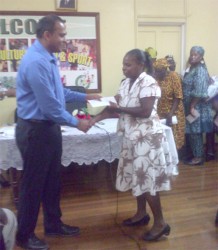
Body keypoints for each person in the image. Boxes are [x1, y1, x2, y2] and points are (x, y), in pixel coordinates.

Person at [15, 15, 100, 250]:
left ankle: (53, 224)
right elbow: (50, 106)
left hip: (48, 129)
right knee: (33, 186)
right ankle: (24, 236)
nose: (65, 39)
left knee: (52, 181)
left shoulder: (48, 58)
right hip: (36, 131)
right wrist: (77, 122)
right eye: (61, 34)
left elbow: (59, 92)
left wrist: (86, 96)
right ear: (47, 35)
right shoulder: (35, 62)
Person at [91, 49, 172, 241]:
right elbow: (114, 107)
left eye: (128, 64)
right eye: (123, 64)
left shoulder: (149, 82)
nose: (124, 68)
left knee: (147, 180)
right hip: (131, 137)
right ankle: (141, 214)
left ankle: (160, 223)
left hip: (147, 138)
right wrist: (95, 118)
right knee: (138, 176)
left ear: (141, 65)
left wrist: (118, 108)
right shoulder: (126, 83)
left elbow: (144, 111)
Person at [182, 46, 213, 165]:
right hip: (190, 105)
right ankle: (194, 154)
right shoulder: (192, 69)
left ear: (201, 57)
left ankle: (199, 157)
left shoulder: (200, 70)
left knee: (195, 132)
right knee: (191, 131)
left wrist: (192, 106)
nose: (192, 57)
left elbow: (199, 91)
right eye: (191, 54)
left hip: (196, 107)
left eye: (196, 55)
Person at [153, 58, 185, 157]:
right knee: (162, 135)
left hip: (174, 111)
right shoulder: (155, 78)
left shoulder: (173, 76)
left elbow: (178, 96)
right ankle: (164, 156)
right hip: (160, 111)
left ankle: (174, 157)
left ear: (164, 69)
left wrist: (171, 113)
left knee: (174, 135)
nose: (156, 73)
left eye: (158, 71)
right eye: (155, 71)